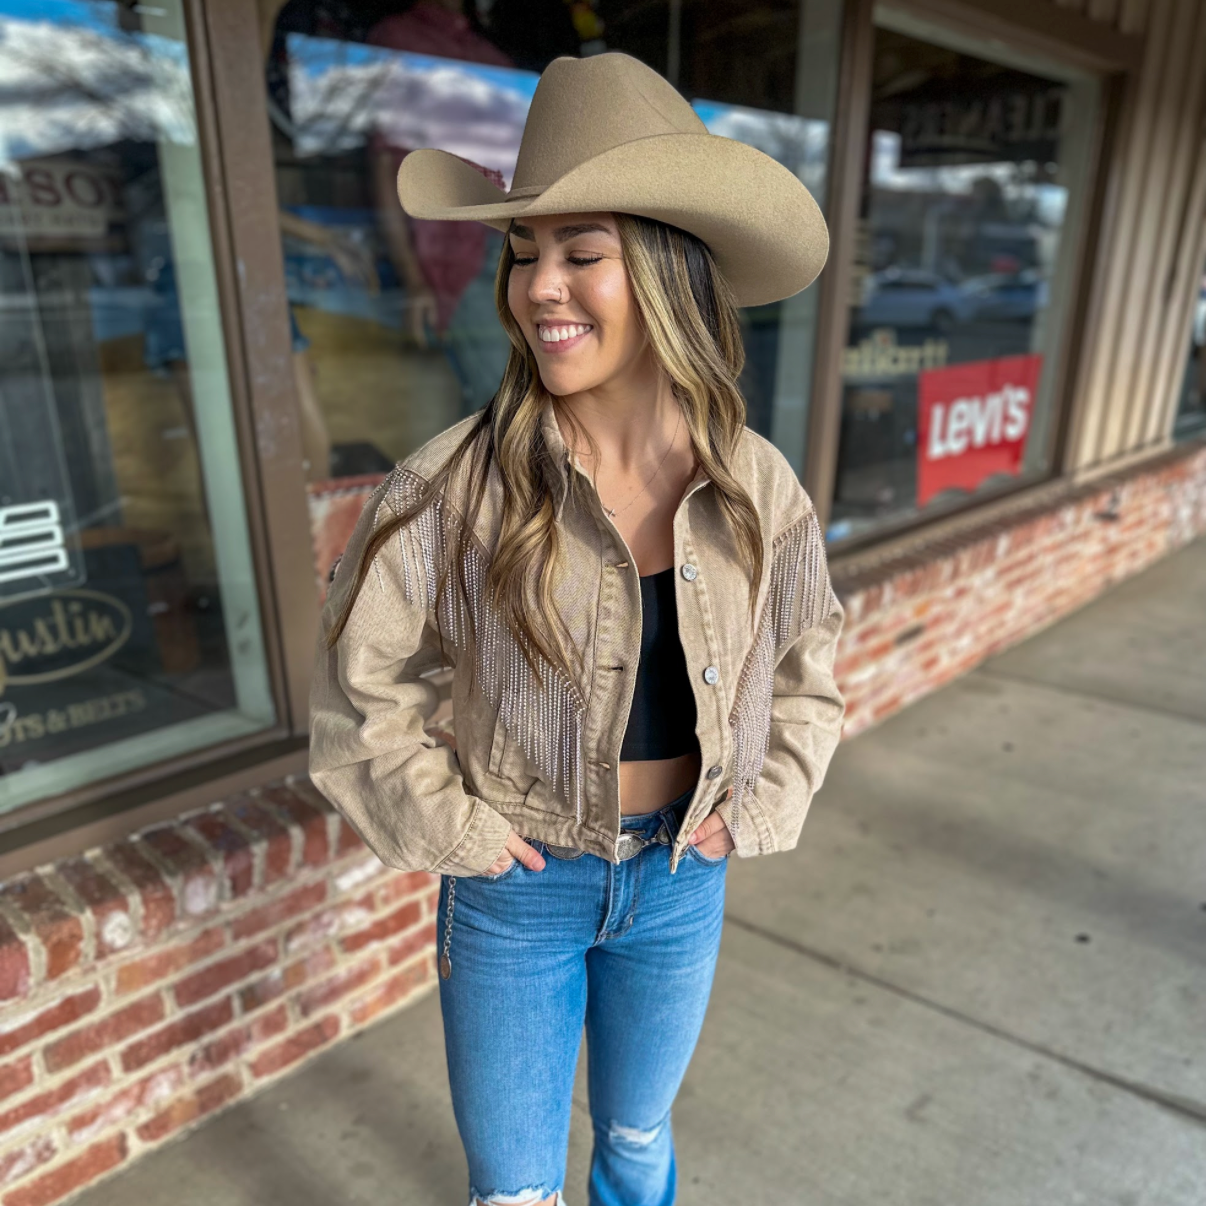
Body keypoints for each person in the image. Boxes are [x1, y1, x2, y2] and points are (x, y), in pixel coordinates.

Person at [308, 51, 845, 1206]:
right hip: (520, 887)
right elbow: (361, 694)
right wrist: (452, 826)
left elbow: (808, 659)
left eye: (580, 253)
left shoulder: (756, 485)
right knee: (515, 1189)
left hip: (683, 876)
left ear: (667, 270)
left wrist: (764, 801)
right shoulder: (451, 487)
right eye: (522, 253)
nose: (538, 288)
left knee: (637, 1140)